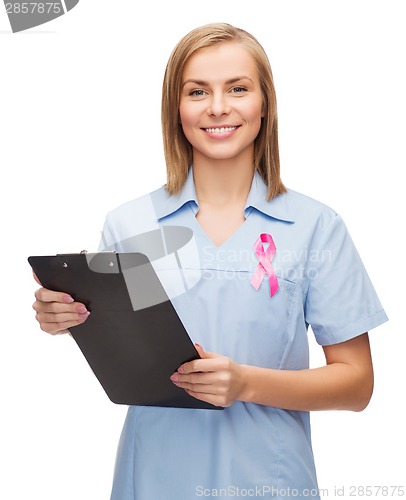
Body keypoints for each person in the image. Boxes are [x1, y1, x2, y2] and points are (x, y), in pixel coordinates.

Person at [32, 23, 388, 499]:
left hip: (270, 482)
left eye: (237, 88)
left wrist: (245, 383)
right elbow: (122, 343)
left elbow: (356, 385)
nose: (218, 107)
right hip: (153, 479)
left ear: (265, 103)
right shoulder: (129, 224)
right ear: (175, 109)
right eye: (198, 91)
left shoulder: (315, 227)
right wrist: (65, 315)